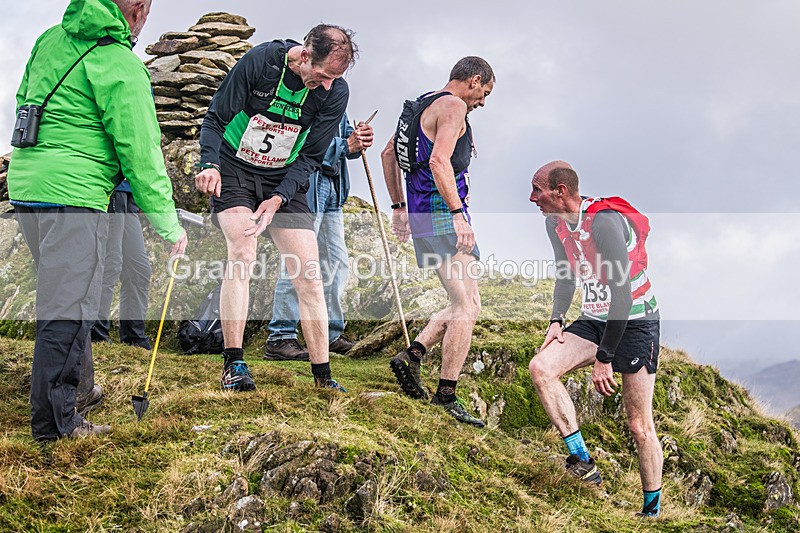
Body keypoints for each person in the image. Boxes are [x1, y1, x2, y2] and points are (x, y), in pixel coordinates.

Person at [7, 0, 187, 441]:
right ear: (139, 9)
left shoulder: (50, 39)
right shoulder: (120, 63)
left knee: (67, 300)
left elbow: (24, 100)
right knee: (68, 312)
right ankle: (55, 425)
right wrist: (168, 223)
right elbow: (141, 153)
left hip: (27, 188)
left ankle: (81, 391)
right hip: (74, 195)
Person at [196, 24, 358, 392]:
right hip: (235, 168)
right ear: (304, 56)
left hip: (283, 177)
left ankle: (323, 377)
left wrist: (279, 198)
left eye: (336, 78)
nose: (328, 84)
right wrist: (209, 164)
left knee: (309, 273)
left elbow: (313, 156)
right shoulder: (261, 63)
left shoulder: (335, 92)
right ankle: (233, 364)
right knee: (243, 252)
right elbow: (216, 118)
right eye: (323, 74)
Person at [528, 161, 662, 517]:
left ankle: (651, 512)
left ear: (560, 191)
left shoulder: (603, 223)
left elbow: (623, 296)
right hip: (594, 318)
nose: (532, 198)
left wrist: (605, 358)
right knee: (541, 368)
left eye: (537, 190)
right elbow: (565, 276)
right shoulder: (554, 223)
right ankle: (584, 463)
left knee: (639, 424)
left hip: (633, 321)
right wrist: (557, 320)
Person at [381, 57, 495, 427]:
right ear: (474, 81)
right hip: (442, 214)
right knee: (467, 306)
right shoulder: (453, 106)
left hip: (421, 212)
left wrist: (399, 207)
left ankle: (413, 354)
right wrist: (458, 213)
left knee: (465, 300)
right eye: (485, 93)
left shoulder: (420, 105)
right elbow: (438, 162)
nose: (482, 102)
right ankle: (446, 395)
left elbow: (388, 154)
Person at [265, 112, 373, 361]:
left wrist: (358, 140)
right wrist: (345, 145)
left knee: (337, 262)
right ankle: (280, 336)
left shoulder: (338, 99)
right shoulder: (305, 95)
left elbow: (348, 141)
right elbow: (299, 142)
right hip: (306, 186)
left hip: (333, 186)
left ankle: (330, 333)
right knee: (298, 262)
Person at [92, 179, 153, 351]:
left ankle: (134, 339)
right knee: (110, 263)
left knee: (139, 270)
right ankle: (96, 336)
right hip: (110, 188)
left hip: (130, 193)